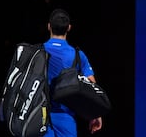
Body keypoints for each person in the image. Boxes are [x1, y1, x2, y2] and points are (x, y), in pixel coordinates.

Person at [43, 8, 102, 137]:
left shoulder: (37, 52)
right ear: (69, 28)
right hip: (66, 119)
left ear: (49, 26)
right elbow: (92, 87)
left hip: (39, 117)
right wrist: (95, 114)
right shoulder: (78, 55)